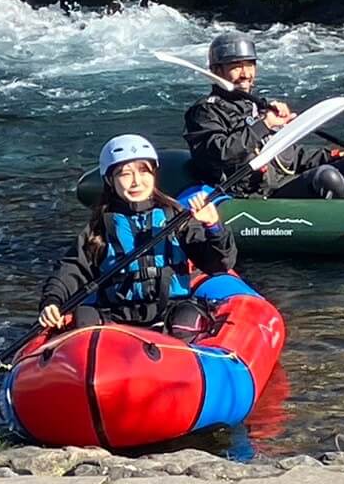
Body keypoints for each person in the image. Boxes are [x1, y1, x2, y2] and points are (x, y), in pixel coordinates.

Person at [38, 134, 235, 339]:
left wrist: (213, 227)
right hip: (116, 318)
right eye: (125, 174)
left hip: (169, 312)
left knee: (188, 319)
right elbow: (72, 269)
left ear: (153, 175)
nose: (136, 182)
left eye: (143, 171)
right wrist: (53, 300)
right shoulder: (99, 228)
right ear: (109, 180)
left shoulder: (177, 218)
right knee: (84, 317)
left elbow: (218, 265)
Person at [183, 32, 344, 199]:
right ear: (216, 70)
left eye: (250, 65)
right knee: (327, 178)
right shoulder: (204, 112)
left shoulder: (257, 106)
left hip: (282, 181)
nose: (246, 73)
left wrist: (337, 154)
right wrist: (264, 125)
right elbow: (221, 153)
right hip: (251, 193)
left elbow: (291, 157)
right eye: (236, 66)